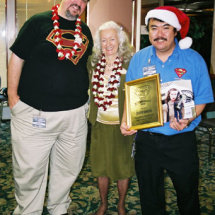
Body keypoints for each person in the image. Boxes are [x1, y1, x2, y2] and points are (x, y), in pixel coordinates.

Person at [120, 6, 214, 215]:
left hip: (180, 139)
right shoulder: (139, 59)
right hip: (147, 140)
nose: (159, 33)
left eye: (165, 28)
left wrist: (188, 118)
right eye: (154, 28)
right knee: (149, 196)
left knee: (188, 194)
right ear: (149, 32)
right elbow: (131, 95)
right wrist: (126, 120)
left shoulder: (194, 59)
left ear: (175, 31)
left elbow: (203, 98)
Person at [7, 0, 93, 214]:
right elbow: (17, 58)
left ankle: (58, 209)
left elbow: (84, 65)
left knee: (68, 170)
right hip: (35, 113)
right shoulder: (38, 22)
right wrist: (12, 97)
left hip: (74, 116)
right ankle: (28, 211)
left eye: (84, 0)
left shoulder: (86, 30)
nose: (79, 3)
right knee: (29, 172)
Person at [88, 21, 135, 215]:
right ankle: (103, 203)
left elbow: (136, 96)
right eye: (104, 40)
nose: (108, 44)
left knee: (123, 169)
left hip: (122, 127)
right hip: (100, 126)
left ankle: (121, 204)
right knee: (101, 168)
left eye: (112, 39)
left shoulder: (129, 65)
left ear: (120, 41)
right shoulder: (93, 65)